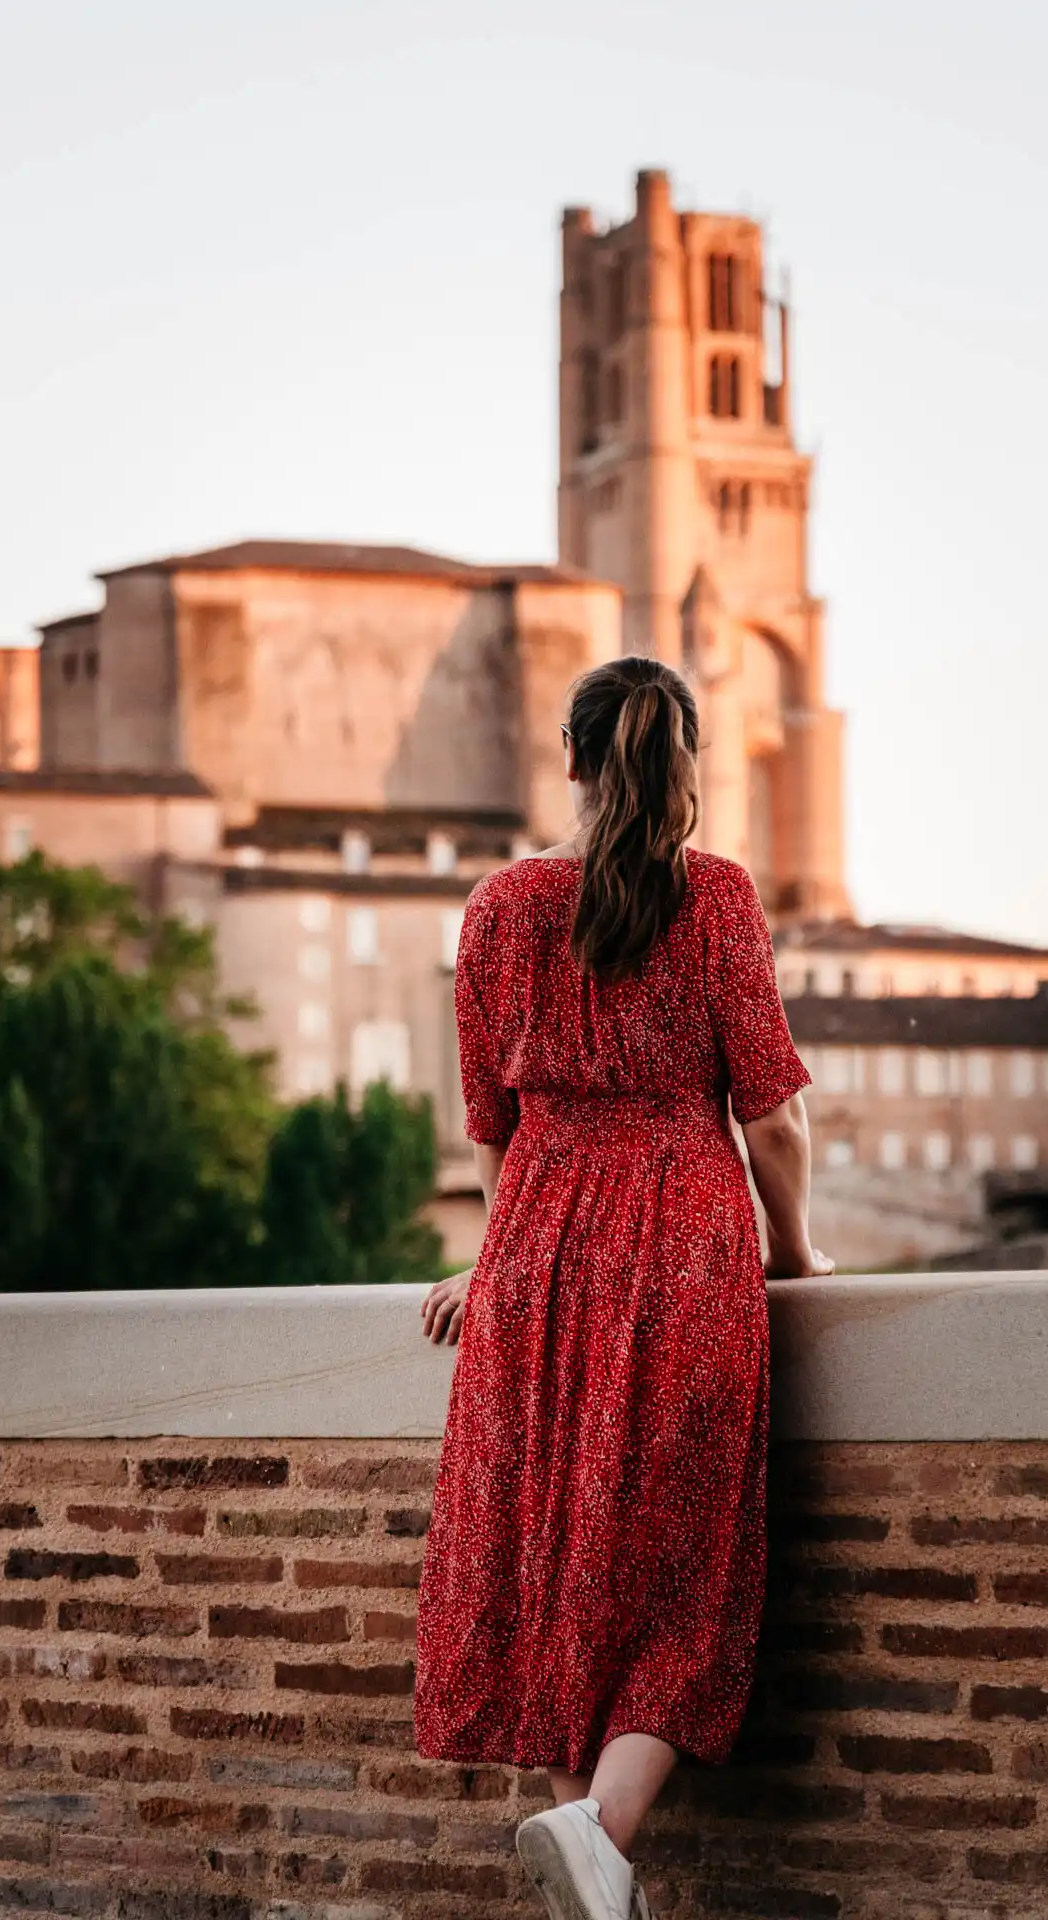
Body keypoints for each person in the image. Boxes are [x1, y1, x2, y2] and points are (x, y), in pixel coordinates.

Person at [413, 655, 833, 1920]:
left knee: (558, 1559)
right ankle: (601, 1829)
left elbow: (489, 1129)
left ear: (569, 761)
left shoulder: (496, 908)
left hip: (537, 1246)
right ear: (686, 763)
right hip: (684, 1247)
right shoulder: (713, 899)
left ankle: (592, 1867)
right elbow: (772, 1120)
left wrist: (497, 1258)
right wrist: (795, 1251)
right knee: (685, 1567)